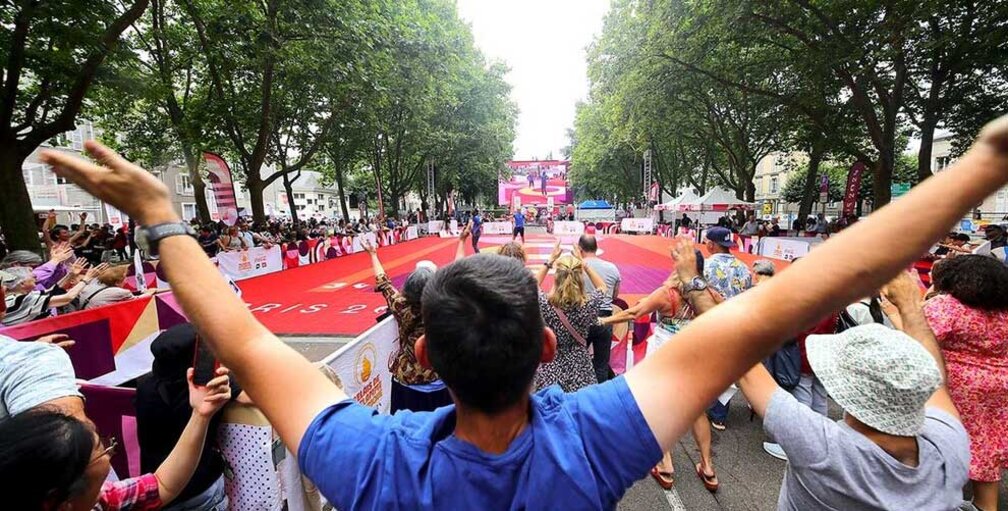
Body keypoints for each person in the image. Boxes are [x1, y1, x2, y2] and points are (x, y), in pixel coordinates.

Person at [38, 117, 1008, 509]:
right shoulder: (594, 438)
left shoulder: (371, 460)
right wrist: (978, 168)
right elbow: (797, 294)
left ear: (421, 351)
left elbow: (241, 332)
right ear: (548, 347)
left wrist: (161, 216)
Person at [736, 269, 969, 510]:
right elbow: (935, 381)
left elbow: (740, 358)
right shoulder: (948, 446)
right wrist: (910, 306)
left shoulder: (823, 449)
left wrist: (696, 284)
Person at [0, 365, 232, 510]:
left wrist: (201, 415)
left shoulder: (99, 502)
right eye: (102, 448)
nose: (110, 452)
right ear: (61, 502)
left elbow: (162, 485)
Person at [599, 244, 719, 492]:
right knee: (697, 411)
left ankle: (665, 463)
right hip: (697, 356)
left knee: (661, 408)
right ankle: (707, 466)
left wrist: (605, 320)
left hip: (668, 357)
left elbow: (635, 312)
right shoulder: (708, 293)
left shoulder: (669, 294)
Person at [923, 255, 1008, 511]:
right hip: (1000, 387)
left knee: (947, 444)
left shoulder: (947, 307)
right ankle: (986, 506)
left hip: (956, 387)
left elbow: (916, 335)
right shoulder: (1003, 312)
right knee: (986, 447)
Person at [136, 324, 237, 510]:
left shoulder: (144, 387)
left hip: (156, 491)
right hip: (201, 490)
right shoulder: (210, 390)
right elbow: (257, 393)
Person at [361, 239, 451, 412]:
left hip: (407, 381)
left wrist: (373, 254)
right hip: (438, 378)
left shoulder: (400, 306)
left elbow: (384, 283)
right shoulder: (444, 308)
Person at [533, 242, 607, 392]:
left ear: (557, 277)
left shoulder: (546, 303)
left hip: (551, 368)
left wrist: (550, 260)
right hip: (581, 366)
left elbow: (531, 284)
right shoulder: (587, 305)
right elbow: (602, 287)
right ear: (580, 278)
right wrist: (583, 263)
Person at [702, 226, 753, 430]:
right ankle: (719, 414)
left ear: (712, 244)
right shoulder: (744, 268)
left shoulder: (706, 266)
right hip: (736, 324)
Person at [1, 263, 105, 326]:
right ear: (22, 283)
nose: (35, 278)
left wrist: (71, 275)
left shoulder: (14, 298)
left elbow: (51, 291)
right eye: (32, 276)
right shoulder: (21, 300)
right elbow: (67, 298)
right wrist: (86, 279)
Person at [578, 235, 621, 384]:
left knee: (577, 361)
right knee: (602, 364)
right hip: (606, 318)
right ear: (596, 248)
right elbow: (615, 295)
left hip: (582, 317)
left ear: (580, 249)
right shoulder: (612, 268)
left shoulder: (577, 267)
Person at [79, 263, 156, 310]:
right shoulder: (121, 292)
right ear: (117, 282)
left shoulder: (89, 287)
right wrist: (150, 292)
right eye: (125, 277)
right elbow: (137, 300)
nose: (127, 279)